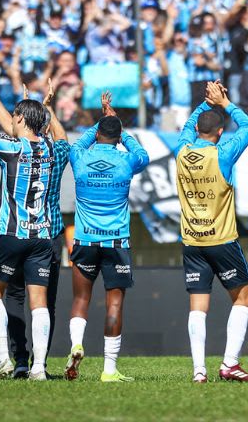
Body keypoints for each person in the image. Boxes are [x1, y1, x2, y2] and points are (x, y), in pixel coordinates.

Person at [0, 61, 69, 381]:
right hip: (42, 237)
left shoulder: (10, 148)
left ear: (20, 119)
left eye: (16, 116)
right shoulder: (56, 150)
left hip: (11, 232)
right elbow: (59, 136)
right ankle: (38, 367)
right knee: (40, 303)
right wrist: (45, 109)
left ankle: (3, 358)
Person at [175, 80, 248, 383]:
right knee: (243, 297)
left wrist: (205, 103)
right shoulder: (223, 153)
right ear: (220, 133)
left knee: (198, 304)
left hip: (191, 240)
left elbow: (188, 125)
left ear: (197, 130)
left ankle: (199, 370)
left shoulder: (182, 150)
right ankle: (229, 364)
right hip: (221, 239)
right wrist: (223, 102)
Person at [63, 92, 150, 383]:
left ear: (98, 133)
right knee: (114, 304)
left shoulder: (80, 156)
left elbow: (81, 141)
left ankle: (76, 344)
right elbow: (143, 156)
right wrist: (120, 128)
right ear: (118, 137)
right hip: (116, 243)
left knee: (80, 299)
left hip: (85, 240)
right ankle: (109, 370)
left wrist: (102, 120)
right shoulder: (127, 161)